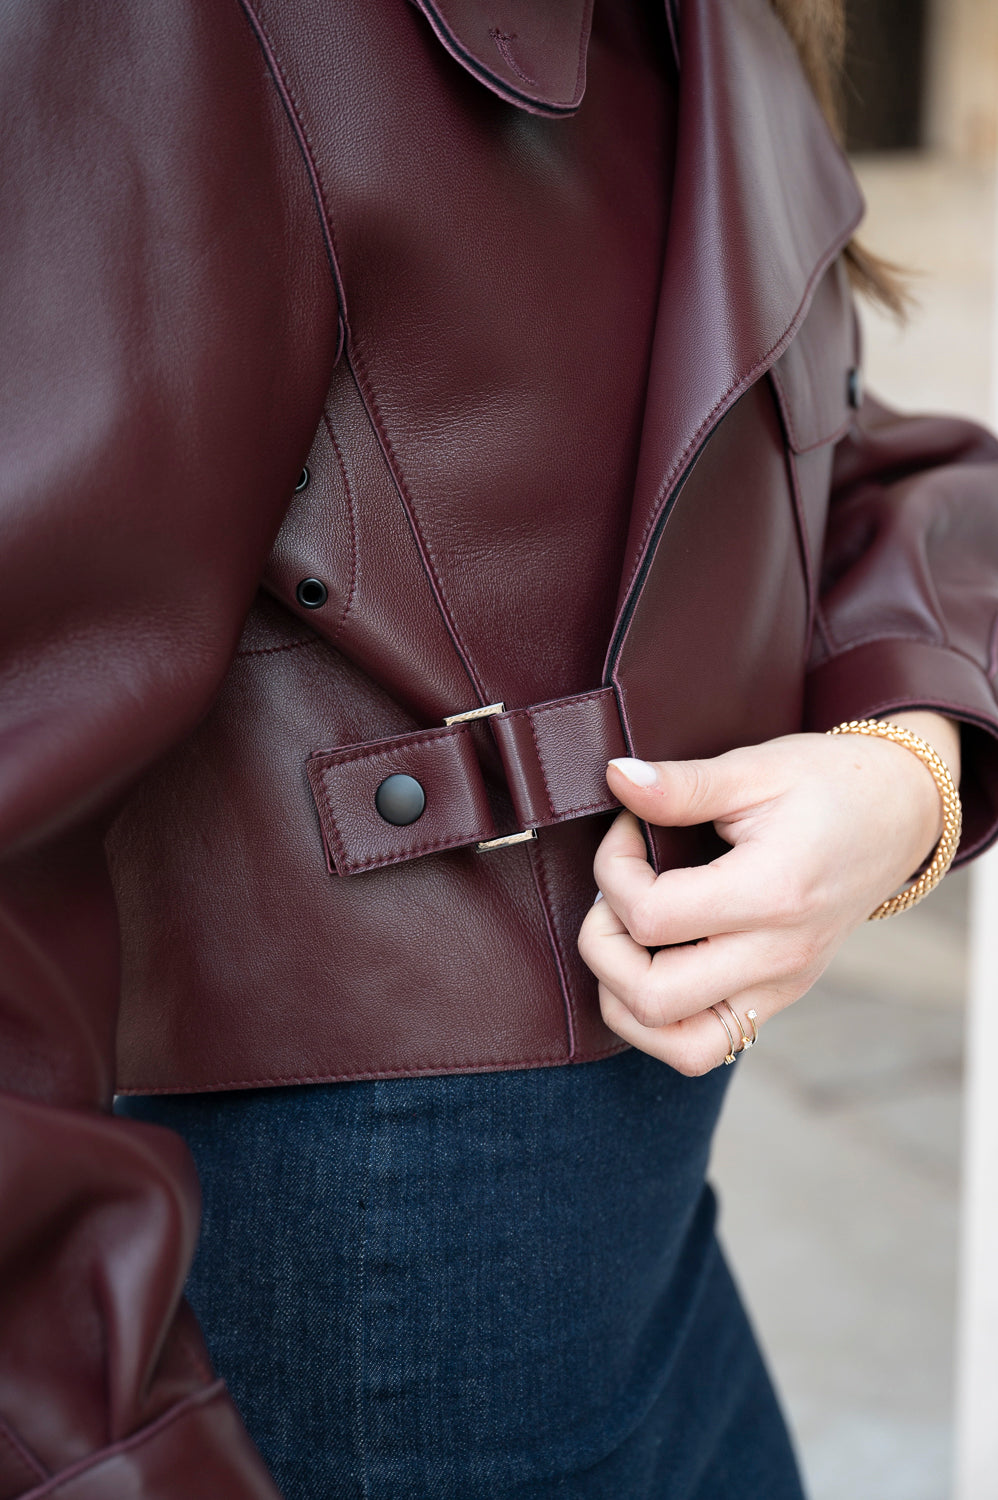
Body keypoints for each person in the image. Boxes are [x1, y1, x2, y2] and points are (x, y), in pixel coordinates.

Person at [1, 0, 997, 1496]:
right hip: (366, 1239)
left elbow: (829, 442)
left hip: (622, 1211)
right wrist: (99, 1449)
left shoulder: (706, 20)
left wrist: (903, 768)